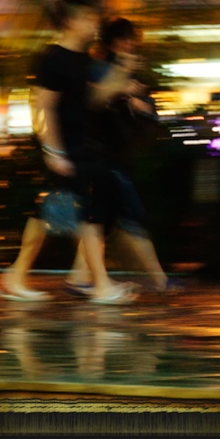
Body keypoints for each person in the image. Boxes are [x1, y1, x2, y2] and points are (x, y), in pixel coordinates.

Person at [0, 0, 137, 305]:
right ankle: (99, 284)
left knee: (44, 215)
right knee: (85, 214)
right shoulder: (53, 58)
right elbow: (41, 107)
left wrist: (123, 69)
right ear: (71, 22)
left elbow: (95, 100)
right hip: (64, 150)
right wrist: (53, 151)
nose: (94, 22)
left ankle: (17, 275)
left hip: (81, 148)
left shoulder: (84, 60)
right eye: (88, 17)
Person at [64, 17, 176, 295]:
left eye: (132, 39)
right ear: (113, 42)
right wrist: (124, 88)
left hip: (116, 156)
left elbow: (146, 109)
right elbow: (97, 101)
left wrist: (139, 102)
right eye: (124, 39)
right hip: (105, 157)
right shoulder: (102, 68)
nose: (130, 44)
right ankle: (160, 280)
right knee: (129, 217)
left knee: (101, 222)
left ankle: (78, 277)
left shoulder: (125, 70)